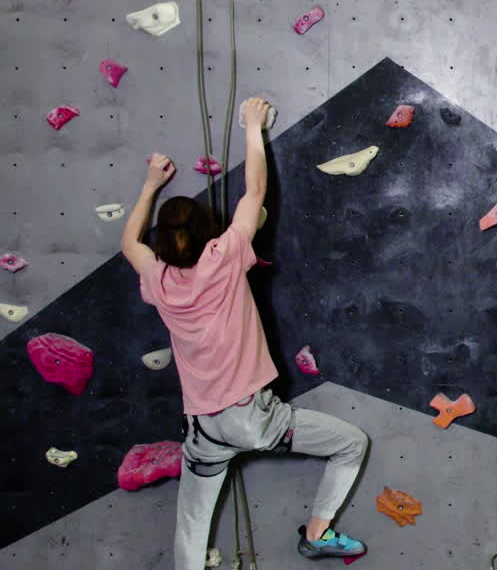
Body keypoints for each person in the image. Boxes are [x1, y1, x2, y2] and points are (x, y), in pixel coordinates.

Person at [120, 98, 370, 568]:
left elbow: (128, 242)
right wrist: (253, 125)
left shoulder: (157, 278)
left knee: (191, 526)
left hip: (206, 429)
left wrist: (150, 183)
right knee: (351, 443)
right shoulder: (224, 258)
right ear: (206, 236)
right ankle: (317, 532)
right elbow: (255, 191)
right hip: (255, 419)